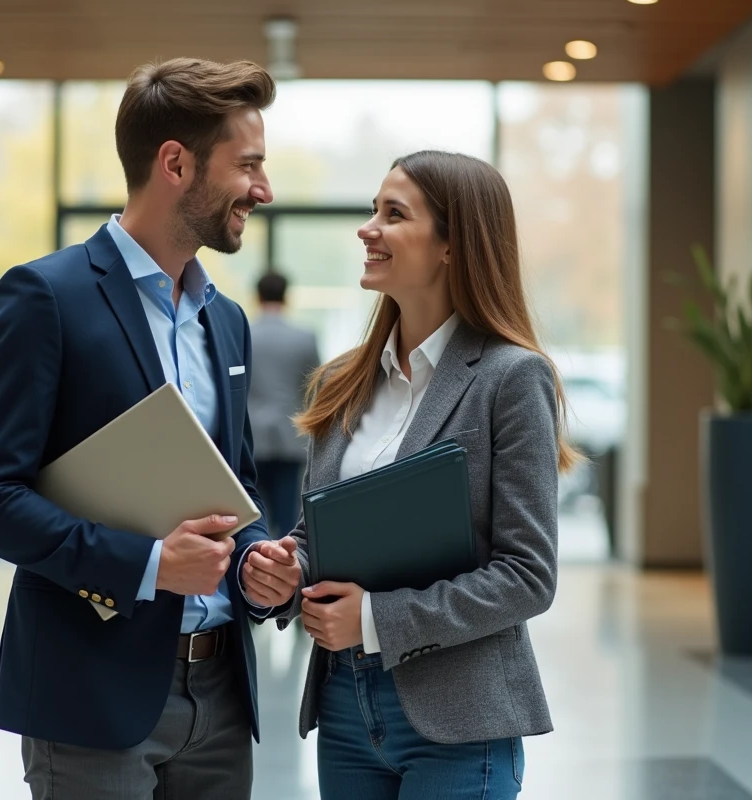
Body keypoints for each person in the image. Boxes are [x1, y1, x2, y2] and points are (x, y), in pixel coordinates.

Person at [0, 57, 302, 800]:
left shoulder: (226, 321)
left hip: (222, 699)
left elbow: (233, 490)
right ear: (176, 164)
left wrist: (253, 562)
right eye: (248, 165)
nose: (263, 190)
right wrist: (148, 564)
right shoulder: (45, 297)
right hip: (91, 696)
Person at [246, 150, 578, 799]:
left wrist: (375, 619)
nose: (367, 228)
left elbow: (528, 576)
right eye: (373, 209)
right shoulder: (343, 381)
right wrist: (287, 572)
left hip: (458, 718)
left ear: (453, 244)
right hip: (345, 708)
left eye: (393, 214)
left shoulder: (511, 378)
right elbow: (321, 535)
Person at [248, 271, 321, 536]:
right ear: (286, 296)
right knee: (288, 516)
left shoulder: (244, 333)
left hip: (252, 438)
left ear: (257, 296)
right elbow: (315, 387)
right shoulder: (304, 337)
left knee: (253, 516)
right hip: (291, 436)